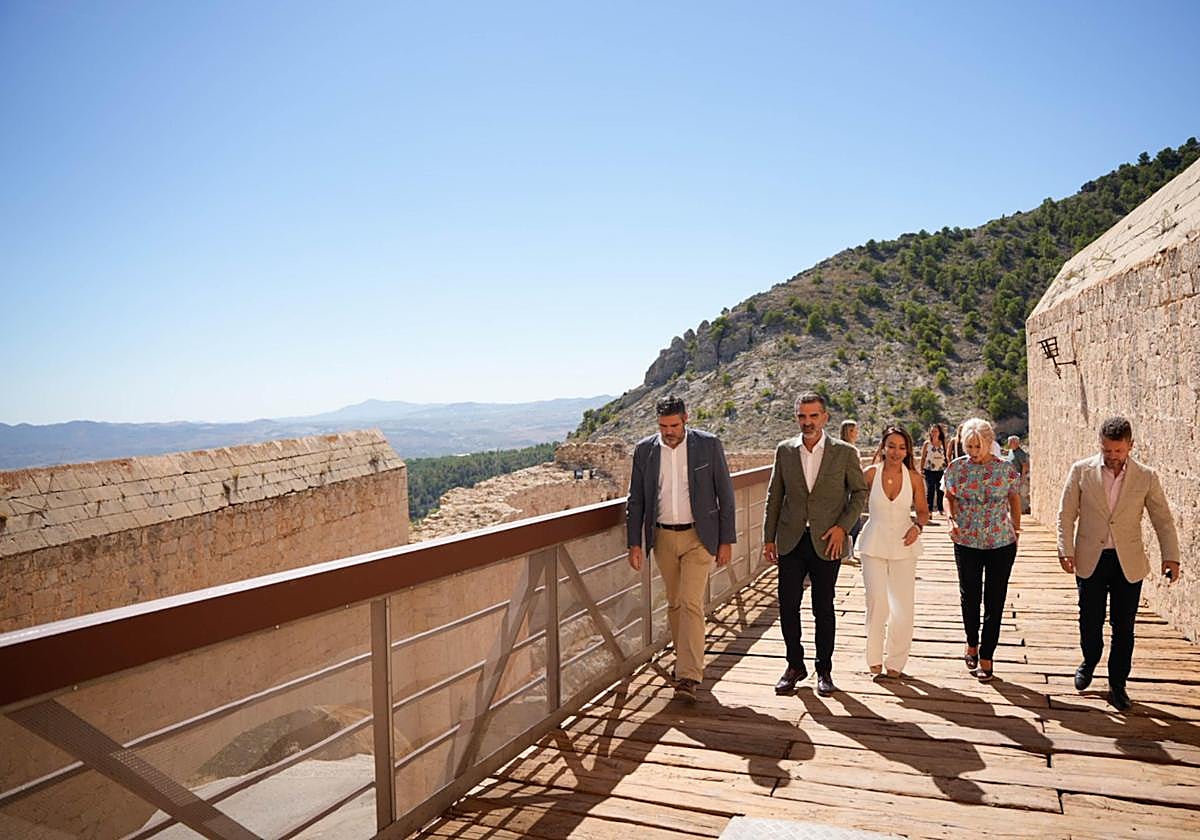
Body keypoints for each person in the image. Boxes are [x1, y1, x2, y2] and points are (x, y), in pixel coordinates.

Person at [1056, 416, 1180, 712]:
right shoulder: (1081, 471)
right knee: (1089, 618)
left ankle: (1118, 683)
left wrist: (1171, 556)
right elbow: (1065, 513)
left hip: (1128, 561)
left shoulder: (1146, 476)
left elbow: (1162, 519)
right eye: (1107, 450)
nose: (1112, 456)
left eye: (1118, 451)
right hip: (1091, 559)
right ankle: (1090, 659)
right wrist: (1065, 548)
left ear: (1130, 446)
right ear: (1100, 445)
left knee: (1124, 625)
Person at [626, 395, 736, 702]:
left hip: (699, 538)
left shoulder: (708, 445)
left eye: (674, 425)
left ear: (686, 419)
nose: (669, 431)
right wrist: (635, 542)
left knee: (690, 602)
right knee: (674, 603)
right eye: (663, 426)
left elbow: (725, 494)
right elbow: (635, 500)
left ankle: (688, 675)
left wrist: (726, 540)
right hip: (662, 538)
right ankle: (683, 662)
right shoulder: (645, 450)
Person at [763, 392, 868, 697]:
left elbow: (859, 493)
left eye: (813, 416)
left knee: (823, 606)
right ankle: (794, 665)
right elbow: (774, 496)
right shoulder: (784, 451)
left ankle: (824, 670)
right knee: (788, 606)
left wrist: (842, 528)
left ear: (825, 417)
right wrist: (768, 538)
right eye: (801, 416)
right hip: (791, 539)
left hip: (827, 541)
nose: (807, 422)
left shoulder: (844, 453)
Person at [944, 418, 1021, 683]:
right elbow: (948, 495)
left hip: (1000, 542)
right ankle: (971, 643)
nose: (973, 451)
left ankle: (987, 653)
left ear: (989, 443)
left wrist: (1017, 529)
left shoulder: (1005, 469)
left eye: (978, 446)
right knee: (970, 595)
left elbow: (1014, 497)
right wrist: (950, 519)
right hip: (966, 541)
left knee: (995, 599)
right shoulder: (957, 468)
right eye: (969, 446)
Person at [859, 426, 928, 678]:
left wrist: (917, 528)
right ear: (883, 447)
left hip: (904, 544)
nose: (896, 452)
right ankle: (874, 656)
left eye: (902, 447)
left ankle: (896, 661)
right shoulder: (869, 474)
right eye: (891, 446)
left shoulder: (914, 478)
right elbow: (849, 499)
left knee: (902, 605)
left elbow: (923, 511)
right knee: (876, 601)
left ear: (908, 450)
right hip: (873, 543)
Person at [919, 424, 949, 516]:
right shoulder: (927, 444)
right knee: (930, 489)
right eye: (932, 431)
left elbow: (947, 457)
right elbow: (923, 457)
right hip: (929, 470)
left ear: (939, 432)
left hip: (941, 470)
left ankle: (940, 509)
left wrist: (949, 468)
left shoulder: (944, 443)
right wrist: (921, 469)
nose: (934, 433)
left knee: (940, 490)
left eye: (935, 431)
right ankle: (929, 511)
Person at [1005, 435, 1031, 514]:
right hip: (1012, 477)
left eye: (1010, 442)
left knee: (1022, 494)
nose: (1008, 443)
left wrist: (1023, 477)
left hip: (1019, 476)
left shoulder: (1020, 453)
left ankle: (1023, 510)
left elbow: (1025, 465)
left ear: (1015, 443)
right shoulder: (1011, 451)